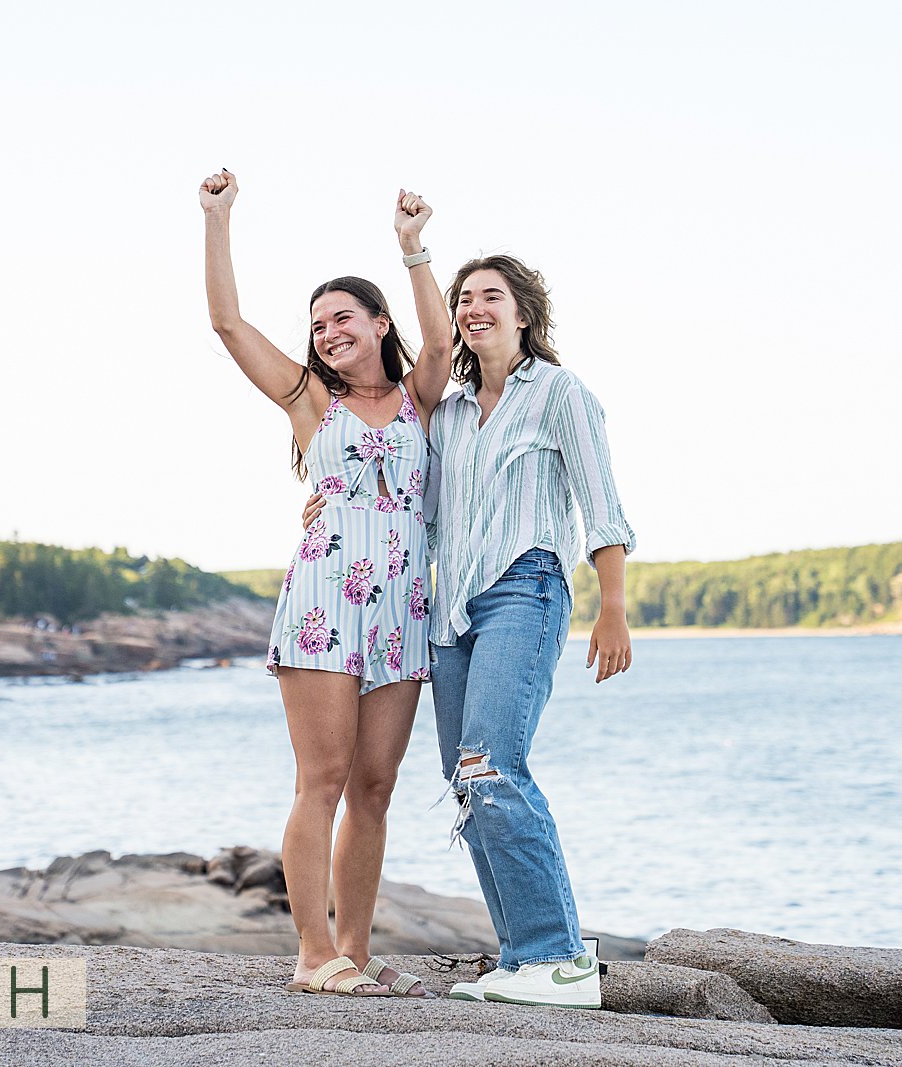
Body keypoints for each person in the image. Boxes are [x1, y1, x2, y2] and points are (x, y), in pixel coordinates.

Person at [302, 252, 634, 1008]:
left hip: (525, 587)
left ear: (523, 313)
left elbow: (602, 505)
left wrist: (612, 605)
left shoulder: (559, 393)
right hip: (448, 613)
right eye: (464, 300)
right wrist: (329, 504)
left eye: (492, 296)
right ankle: (524, 960)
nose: (474, 308)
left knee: (491, 761)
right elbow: (406, 501)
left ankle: (559, 957)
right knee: (466, 780)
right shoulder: (442, 415)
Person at [200, 168, 452, 997]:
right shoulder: (312, 401)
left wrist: (413, 251)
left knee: (375, 787)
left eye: (344, 315)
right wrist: (218, 218)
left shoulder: (419, 398)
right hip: (324, 604)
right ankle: (312, 953)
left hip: (404, 610)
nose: (329, 331)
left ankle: (354, 944)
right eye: (318, 324)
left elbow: (444, 347)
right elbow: (229, 324)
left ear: (381, 322)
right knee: (324, 778)